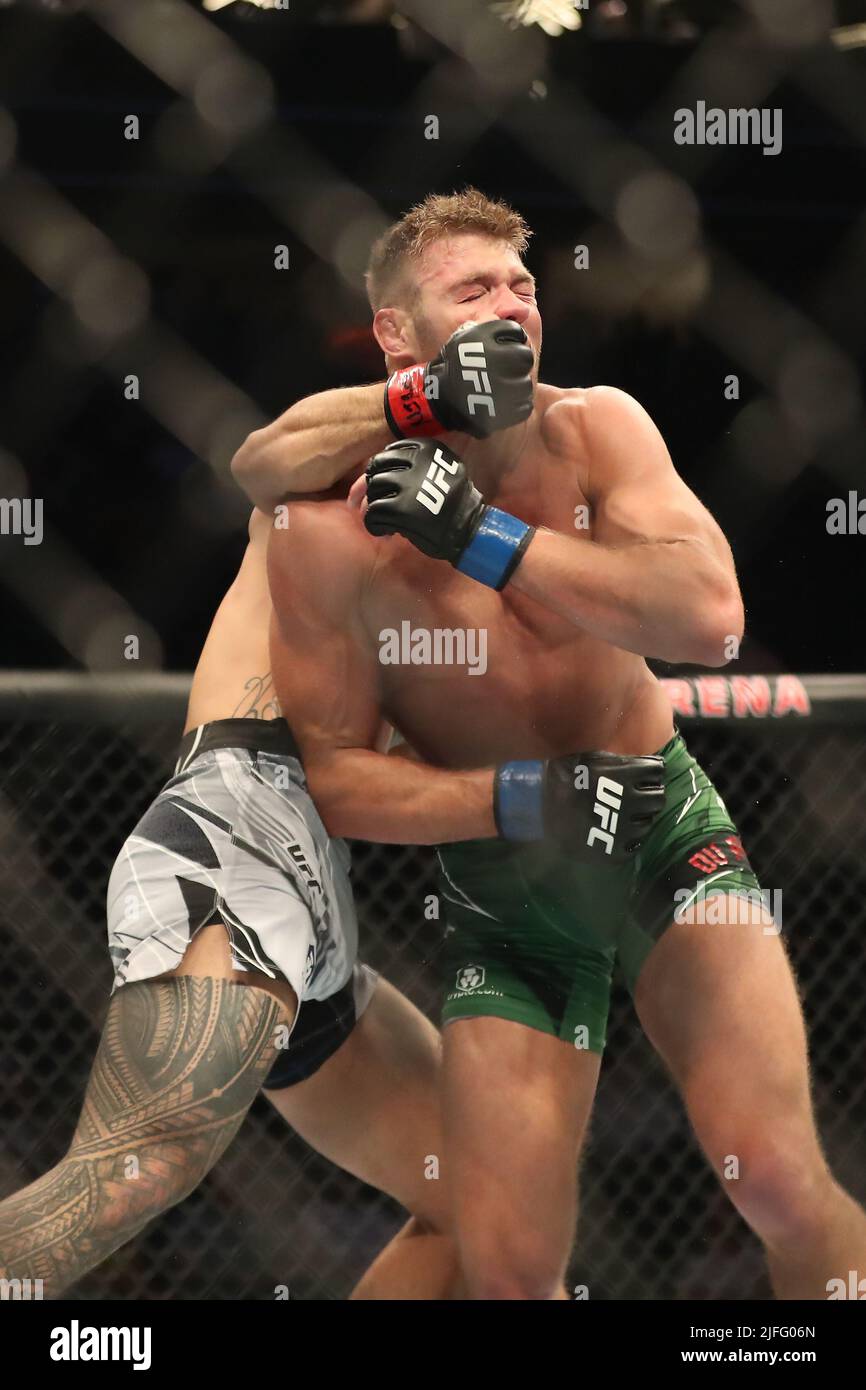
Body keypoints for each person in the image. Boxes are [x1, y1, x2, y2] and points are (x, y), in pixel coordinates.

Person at [234, 186, 866, 1300]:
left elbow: (709, 616)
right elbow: (332, 778)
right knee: (508, 1265)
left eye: (522, 285)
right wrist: (518, 798)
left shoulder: (594, 429)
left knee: (770, 1170)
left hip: (663, 824)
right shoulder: (323, 529)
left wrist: (485, 537)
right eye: (471, 287)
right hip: (505, 879)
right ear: (398, 334)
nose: (510, 304)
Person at [0, 508, 458, 1301]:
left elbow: (418, 767)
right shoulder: (349, 474)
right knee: (134, 1167)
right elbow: (265, 455)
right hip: (236, 841)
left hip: (315, 890)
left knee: (484, 1191)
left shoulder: (492, 550)